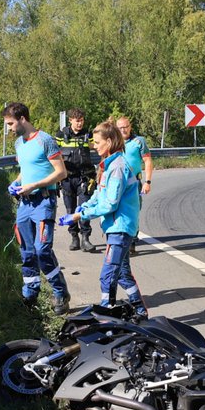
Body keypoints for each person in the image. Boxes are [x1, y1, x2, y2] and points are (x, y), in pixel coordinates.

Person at [61, 121, 147, 319]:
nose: (94, 146)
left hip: (120, 228)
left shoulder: (117, 168)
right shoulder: (108, 165)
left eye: (98, 142)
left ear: (109, 142)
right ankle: (141, 312)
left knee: (107, 276)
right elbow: (99, 195)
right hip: (116, 227)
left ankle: (106, 316)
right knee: (123, 274)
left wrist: (80, 216)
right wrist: (82, 207)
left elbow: (110, 204)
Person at [5, 102, 72, 315]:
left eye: (10, 124)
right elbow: (26, 171)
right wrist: (17, 183)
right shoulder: (19, 144)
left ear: (22, 119)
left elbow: (61, 173)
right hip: (24, 205)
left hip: (43, 201)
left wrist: (35, 185)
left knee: (42, 250)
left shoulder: (45, 140)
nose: (9, 128)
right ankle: (30, 294)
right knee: (27, 251)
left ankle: (60, 293)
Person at [55, 107, 97, 253]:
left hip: (84, 177)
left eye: (82, 121)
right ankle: (74, 237)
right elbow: (54, 154)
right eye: (77, 121)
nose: (80, 124)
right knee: (70, 209)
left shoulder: (88, 134)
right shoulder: (61, 134)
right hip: (67, 178)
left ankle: (86, 238)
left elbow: (96, 146)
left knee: (84, 208)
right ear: (70, 120)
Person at [115, 116, 152, 254]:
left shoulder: (139, 141)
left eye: (126, 126)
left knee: (133, 212)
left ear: (130, 126)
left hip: (134, 183)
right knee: (116, 211)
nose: (123, 130)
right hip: (117, 183)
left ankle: (132, 242)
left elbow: (147, 161)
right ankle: (119, 240)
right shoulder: (113, 141)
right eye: (120, 128)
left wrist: (147, 182)